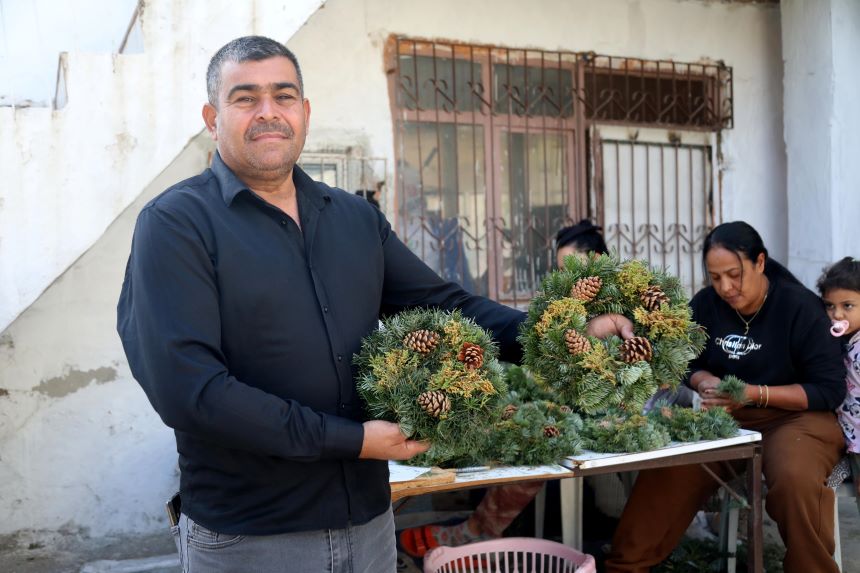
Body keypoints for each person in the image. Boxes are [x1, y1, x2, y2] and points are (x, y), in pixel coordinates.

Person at [116, 36, 536, 573]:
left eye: (283, 95)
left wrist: (561, 334)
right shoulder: (176, 224)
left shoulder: (355, 220)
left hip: (369, 525)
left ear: (305, 111)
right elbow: (190, 392)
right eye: (245, 98)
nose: (268, 112)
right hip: (252, 537)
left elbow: (446, 306)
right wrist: (354, 441)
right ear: (211, 118)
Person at [606, 221, 846, 573]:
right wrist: (703, 380)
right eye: (715, 278)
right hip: (725, 415)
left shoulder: (799, 308)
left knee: (795, 478)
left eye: (734, 275)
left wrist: (753, 394)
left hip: (795, 418)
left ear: (760, 263)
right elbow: (684, 358)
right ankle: (624, 566)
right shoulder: (706, 304)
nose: (726, 287)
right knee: (671, 469)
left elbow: (828, 390)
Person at [400, 219, 631, 556]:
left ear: (598, 262)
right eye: (560, 270)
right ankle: (490, 529)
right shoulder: (561, 311)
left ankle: (479, 531)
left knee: (542, 437)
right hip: (564, 413)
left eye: (573, 269)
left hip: (610, 421)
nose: (570, 281)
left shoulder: (622, 311)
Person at [818, 257, 860, 510]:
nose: (837, 314)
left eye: (848, 305)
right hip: (851, 437)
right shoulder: (843, 341)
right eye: (830, 306)